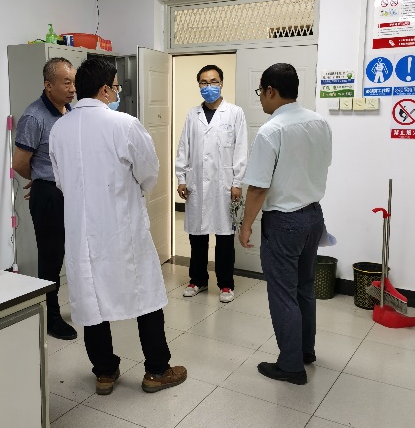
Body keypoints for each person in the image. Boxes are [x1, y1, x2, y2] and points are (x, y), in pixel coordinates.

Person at [49, 57, 186, 396]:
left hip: (82, 233)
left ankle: (105, 372)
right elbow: (149, 172)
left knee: (91, 298)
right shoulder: (124, 124)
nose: (117, 92)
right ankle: (157, 370)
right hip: (122, 230)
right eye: (116, 86)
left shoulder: (60, 128)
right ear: (105, 89)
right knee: (145, 296)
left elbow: (61, 180)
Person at [238, 63, 332, 385]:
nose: (260, 99)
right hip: (313, 216)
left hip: (285, 222)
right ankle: (305, 351)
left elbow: (258, 188)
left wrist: (246, 225)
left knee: (282, 293)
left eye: (260, 92)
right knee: (305, 287)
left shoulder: (271, 131)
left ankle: (291, 366)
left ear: (271, 91)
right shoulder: (319, 122)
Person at [13, 57, 77, 341]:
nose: (72, 88)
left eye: (74, 82)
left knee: (69, 252)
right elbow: (19, 163)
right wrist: (39, 180)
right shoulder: (34, 116)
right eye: (67, 82)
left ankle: (74, 304)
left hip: (68, 191)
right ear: (48, 85)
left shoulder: (70, 110)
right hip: (50, 194)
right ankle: (50, 316)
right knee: (50, 257)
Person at [175, 64, 247, 303]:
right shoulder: (192, 114)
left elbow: (240, 150)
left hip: (224, 184)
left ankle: (226, 284)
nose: (209, 87)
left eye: (213, 82)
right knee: (197, 237)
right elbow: (184, 147)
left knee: (225, 238)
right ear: (199, 85)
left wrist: (237, 182)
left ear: (221, 83)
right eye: (204, 83)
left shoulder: (234, 113)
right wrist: (181, 178)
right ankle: (198, 280)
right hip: (196, 182)